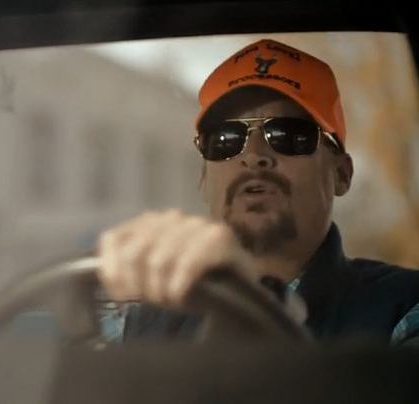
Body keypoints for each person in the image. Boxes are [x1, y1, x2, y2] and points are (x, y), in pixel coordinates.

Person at [97, 38, 419, 345]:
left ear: (341, 174)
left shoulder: (404, 310)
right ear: (203, 179)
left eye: (287, 135)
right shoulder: (137, 325)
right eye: (225, 140)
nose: (253, 156)